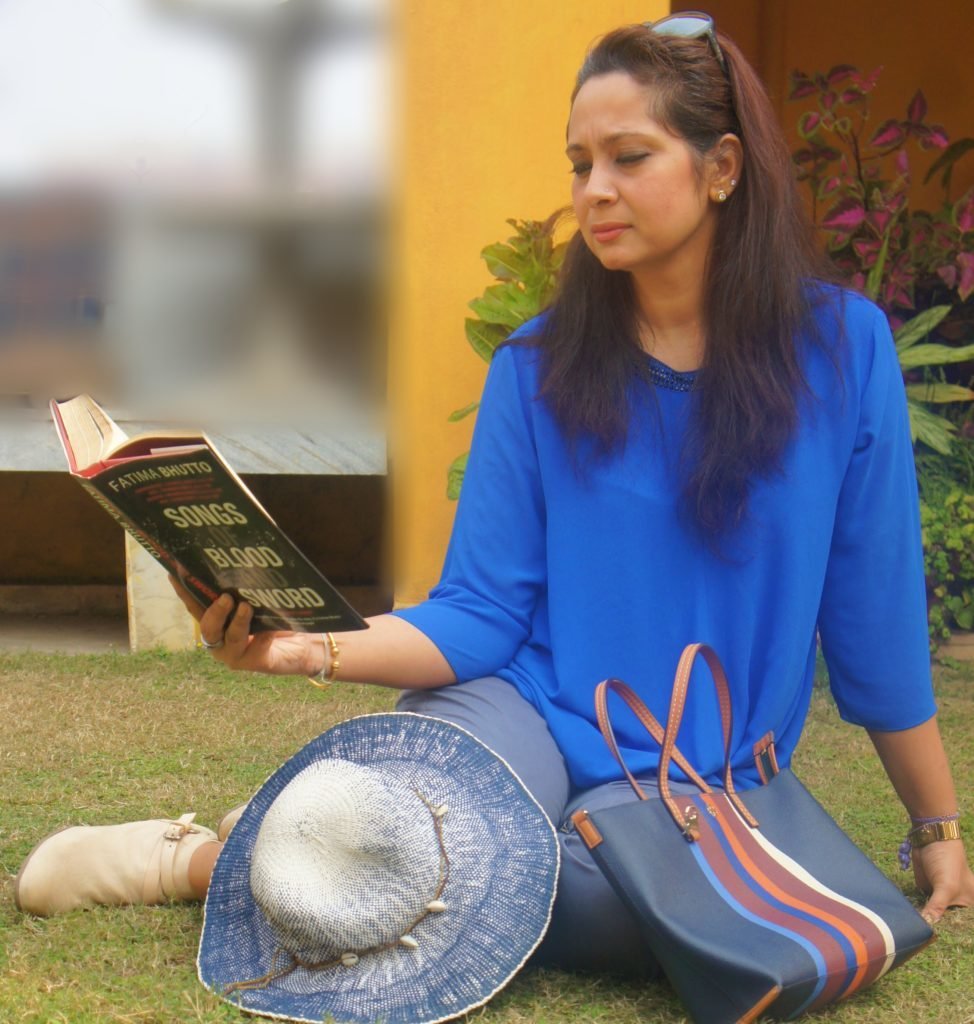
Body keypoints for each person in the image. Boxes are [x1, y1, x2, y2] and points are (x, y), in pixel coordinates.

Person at [17, 10, 973, 986]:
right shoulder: (539, 365)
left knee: (617, 907)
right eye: (579, 164)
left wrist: (935, 826)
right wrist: (303, 647)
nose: (594, 190)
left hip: (696, 781)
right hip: (523, 708)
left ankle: (291, 847)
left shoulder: (842, 352)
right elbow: (478, 612)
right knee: (452, 854)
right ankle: (204, 857)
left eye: (628, 157)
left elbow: (875, 623)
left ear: (720, 166)